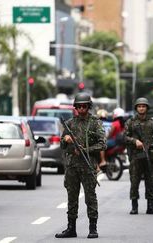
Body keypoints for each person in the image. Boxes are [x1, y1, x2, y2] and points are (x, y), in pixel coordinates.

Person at [55, 93, 107, 239]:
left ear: (88, 107)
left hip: (88, 165)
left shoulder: (95, 123)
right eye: (79, 106)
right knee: (72, 198)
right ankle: (71, 228)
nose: (82, 108)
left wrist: (86, 149)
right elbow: (62, 144)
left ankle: (93, 228)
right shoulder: (70, 123)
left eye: (84, 106)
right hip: (72, 166)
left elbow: (103, 144)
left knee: (90, 197)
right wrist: (66, 139)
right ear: (76, 107)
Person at [124, 97, 153, 215]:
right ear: (136, 108)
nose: (141, 108)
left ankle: (150, 206)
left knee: (150, 181)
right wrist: (134, 141)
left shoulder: (152, 122)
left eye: (143, 106)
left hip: (150, 155)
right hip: (136, 156)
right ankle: (134, 206)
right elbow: (124, 137)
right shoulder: (130, 122)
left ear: (147, 108)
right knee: (134, 181)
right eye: (139, 106)